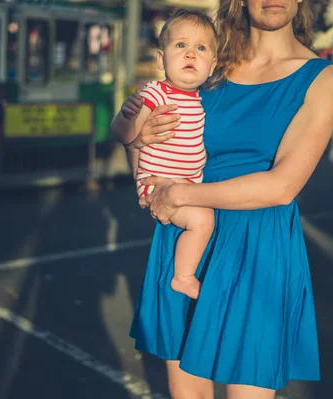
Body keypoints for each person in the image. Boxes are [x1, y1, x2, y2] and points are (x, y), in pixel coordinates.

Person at [112, 0, 333, 398]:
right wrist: (139, 137)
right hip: (190, 239)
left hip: (257, 246)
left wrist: (181, 193)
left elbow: (282, 186)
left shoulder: (324, 78)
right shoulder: (207, 66)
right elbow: (146, 159)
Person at [111, 10, 218, 299]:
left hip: (185, 186)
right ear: (161, 59)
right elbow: (125, 135)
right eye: (180, 45)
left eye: (201, 48)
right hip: (160, 184)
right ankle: (183, 277)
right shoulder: (156, 93)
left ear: (212, 65)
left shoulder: (201, 99)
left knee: (204, 219)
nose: (190, 54)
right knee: (204, 220)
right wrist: (125, 117)